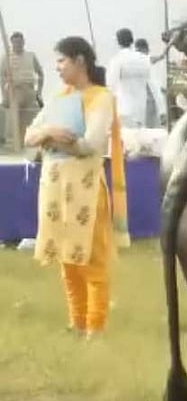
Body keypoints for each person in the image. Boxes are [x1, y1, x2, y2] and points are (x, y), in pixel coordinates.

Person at [23, 36, 130, 339]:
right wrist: (49, 131)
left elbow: (89, 144)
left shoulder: (101, 98)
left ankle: (95, 327)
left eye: (61, 61)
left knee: (91, 259)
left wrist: (51, 139)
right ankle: (77, 322)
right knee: (67, 260)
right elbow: (30, 136)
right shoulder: (59, 98)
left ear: (80, 61)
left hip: (84, 190)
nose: (57, 68)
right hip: (56, 188)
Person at [1, 31, 44, 148]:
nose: (18, 44)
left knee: (32, 120)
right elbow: (2, 78)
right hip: (15, 91)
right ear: (11, 43)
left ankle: (31, 147)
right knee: (14, 120)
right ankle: (14, 146)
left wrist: (39, 92)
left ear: (23, 42)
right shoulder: (7, 57)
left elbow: (40, 74)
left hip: (30, 90)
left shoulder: (31, 55)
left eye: (20, 42)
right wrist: (4, 95)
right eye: (15, 42)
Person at [106, 27, 151, 128]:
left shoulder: (117, 60)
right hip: (141, 108)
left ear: (118, 42)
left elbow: (110, 85)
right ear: (132, 40)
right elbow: (149, 78)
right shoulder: (143, 58)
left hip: (123, 109)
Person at [135, 38, 166, 128]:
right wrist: (168, 45)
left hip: (140, 100)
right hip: (147, 99)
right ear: (144, 49)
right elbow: (161, 56)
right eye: (147, 50)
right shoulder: (144, 59)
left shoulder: (132, 61)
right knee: (151, 125)